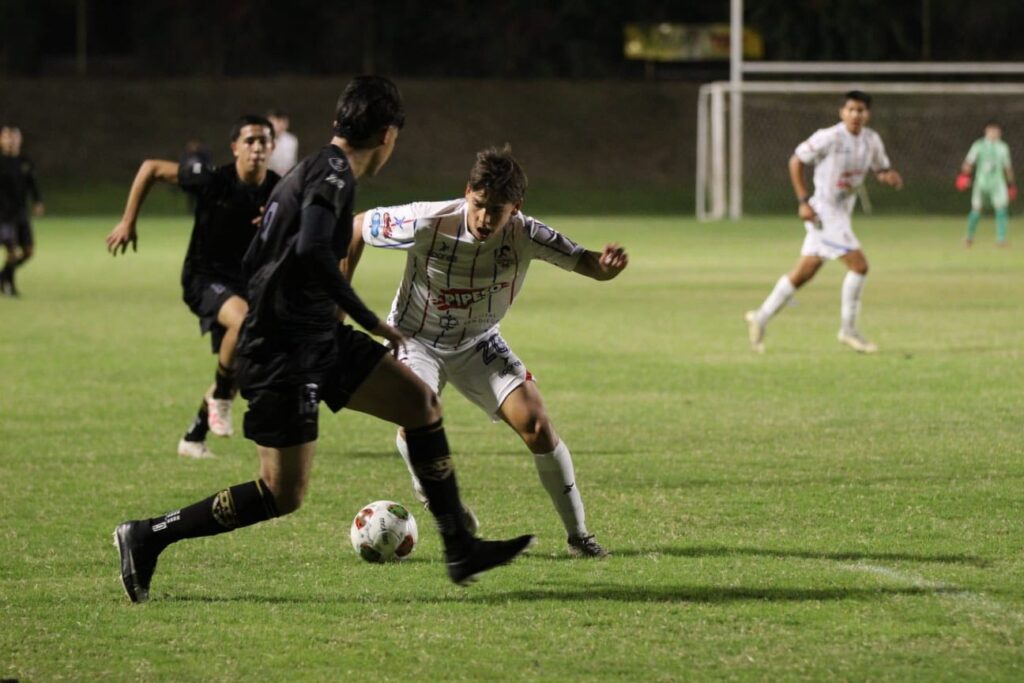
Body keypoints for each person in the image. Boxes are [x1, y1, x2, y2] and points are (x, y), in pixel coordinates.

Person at [113, 76, 533, 603]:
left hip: (313, 335)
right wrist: (368, 318)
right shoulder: (333, 175)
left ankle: (460, 546)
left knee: (422, 404)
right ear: (386, 135)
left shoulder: (315, 168)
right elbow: (313, 249)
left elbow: (269, 257)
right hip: (282, 348)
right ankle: (148, 535)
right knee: (281, 493)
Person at [346, 145, 628, 558]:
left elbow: (585, 262)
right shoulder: (427, 220)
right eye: (478, 205)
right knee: (415, 413)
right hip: (415, 339)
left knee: (537, 426)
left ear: (516, 208)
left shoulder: (526, 234)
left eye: (497, 209)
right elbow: (356, 226)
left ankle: (580, 537)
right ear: (467, 193)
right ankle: (434, 493)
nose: (484, 217)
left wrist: (604, 269)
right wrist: (338, 299)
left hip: (478, 342)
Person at [106, 115, 279, 459]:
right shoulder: (214, 180)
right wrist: (128, 220)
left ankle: (194, 435)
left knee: (247, 365)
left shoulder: (279, 188)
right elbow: (151, 168)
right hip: (204, 278)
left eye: (264, 141)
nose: (257, 147)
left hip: (249, 284)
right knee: (243, 325)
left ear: (272, 147)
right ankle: (221, 401)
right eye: (249, 141)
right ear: (235, 147)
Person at [745, 90, 903, 354]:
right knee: (859, 266)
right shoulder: (829, 137)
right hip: (823, 212)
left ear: (868, 114)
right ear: (842, 112)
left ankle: (760, 316)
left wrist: (888, 177)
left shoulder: (871, 140)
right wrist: (803, 201)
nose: (855, 115)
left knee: (805, 272)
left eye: (860, 110)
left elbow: (880, 168)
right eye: (850, 109)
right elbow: (796, 161)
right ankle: (848, 330)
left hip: (842, 214)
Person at [0, 124, 44, 297]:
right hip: (3, 216)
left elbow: (32, 183)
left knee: (28, 252)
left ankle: (3, 276)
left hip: (20, 214)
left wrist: (38, 201)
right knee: (12, 251)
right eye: (6, 137)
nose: (11, 141)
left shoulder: (24, 161)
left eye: (14, 137)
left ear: (20, 139)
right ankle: (9, 285)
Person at [957, 121, 1015, 247]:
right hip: (981, 183)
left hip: (998, 184)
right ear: (986, 131)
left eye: (996, 131)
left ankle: (1001, 239)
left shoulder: (1003, 147)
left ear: (1000, 133)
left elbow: (1007, 167)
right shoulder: (978, 145)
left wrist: (1010, 184)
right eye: (992, 131)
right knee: (976, 209)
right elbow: (968, 162)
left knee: (1001, 209)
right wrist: (963, 176)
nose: (994, 133)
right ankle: (969, 237)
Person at [267, 109, 299, 176]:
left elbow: (292, 162)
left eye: (283, 122)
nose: (280, 125)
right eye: (277, 122)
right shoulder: (264, 140)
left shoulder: (292, 140)